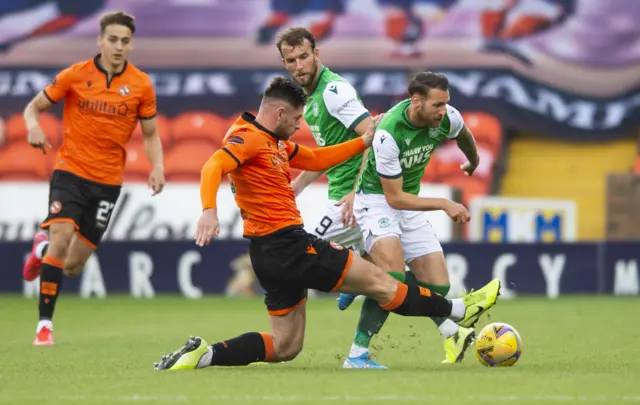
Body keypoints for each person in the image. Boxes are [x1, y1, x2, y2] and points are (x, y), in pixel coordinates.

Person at [153, 76, 500, 371]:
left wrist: (363, 141)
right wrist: (208, 210)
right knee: (385, 282)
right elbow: (213, 165)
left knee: (286, 346)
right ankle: (458, 310)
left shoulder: (274, 142)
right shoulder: (246, 137)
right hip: (289, 244)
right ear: (279, 113)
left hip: (267, 255)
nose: (300, 125)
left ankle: (205, 354)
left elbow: (317, 158)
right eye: (298, 118)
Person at [21, 11, 165, 346]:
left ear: (131, 44)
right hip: (70, 171)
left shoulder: (141, 84)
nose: (118, 46)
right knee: (61, 236)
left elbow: (151, 134)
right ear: (100, 40)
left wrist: (157, 166)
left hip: (108, 183)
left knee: (72, 265)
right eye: (112, 40)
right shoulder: (75, 75)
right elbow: (34, 107)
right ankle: (44, 326)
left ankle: (40, 251)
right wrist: (33, 128)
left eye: (125, 41)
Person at [338, 71, 482, 367]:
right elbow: (394, 198)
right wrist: (444, 203)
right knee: (392, 278)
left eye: (446, 104)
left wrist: (474, 161)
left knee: (438, 287)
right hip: (378, 201)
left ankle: (362, 271)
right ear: (416, 101)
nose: (443, 112)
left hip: (408, 199)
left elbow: (464, 134)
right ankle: (357, 354)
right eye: (437, 105)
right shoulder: (389, 132)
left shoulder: (447, 118)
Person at [279, 27, 370, 264]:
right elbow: (330, 152)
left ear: (316, 53)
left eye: (304, 57)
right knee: (382, 278)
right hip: (342, 195)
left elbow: (374, 137)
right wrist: (298, 184)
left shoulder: (333, 91)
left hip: (353, 200)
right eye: (292, 60)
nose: (299, 65)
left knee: (302, 257)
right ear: (284, 63)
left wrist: (356, 192)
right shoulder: (310, 96)